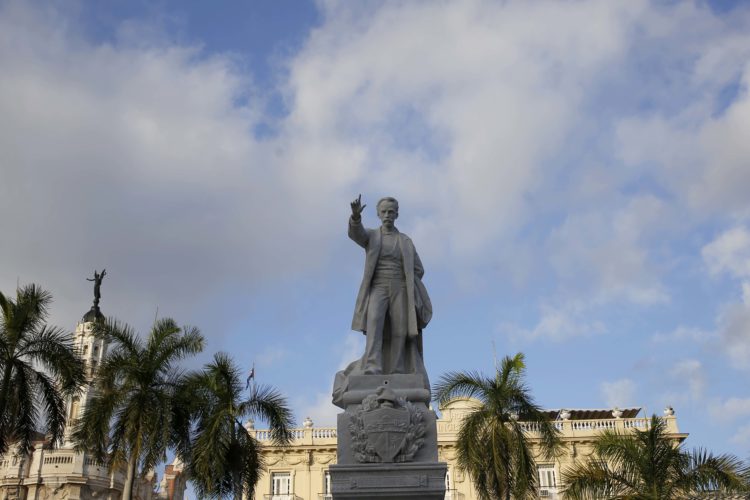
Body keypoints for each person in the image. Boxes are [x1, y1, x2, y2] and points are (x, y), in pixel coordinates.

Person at [332, 195, 432, 407]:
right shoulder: (372, 236)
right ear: (378, 214)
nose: (388, 215)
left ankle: (397, 369)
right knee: (375, 327)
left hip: (400, 288)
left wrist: (408, 280)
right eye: (384, 211)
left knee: (399, 331)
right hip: (377, 287)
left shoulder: (405, 241)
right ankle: (373, 367)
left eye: (391, 212)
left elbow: (419, 268)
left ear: (397, 214)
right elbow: (356, 234)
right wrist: (356, 217)